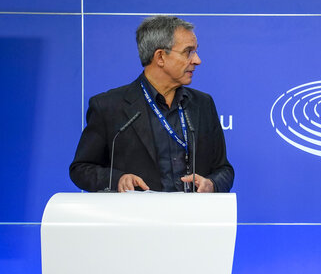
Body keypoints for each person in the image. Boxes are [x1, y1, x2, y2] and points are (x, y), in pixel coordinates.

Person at [70, 16, 234, 193]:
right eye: (188, 52)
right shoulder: (109, 106)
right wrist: (117, 179)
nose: (197, 60)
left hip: (193, 218)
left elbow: (224, 170)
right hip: (137, 217)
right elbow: (81, 169)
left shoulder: (203, 104)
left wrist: (212, 184)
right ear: (160, 57)